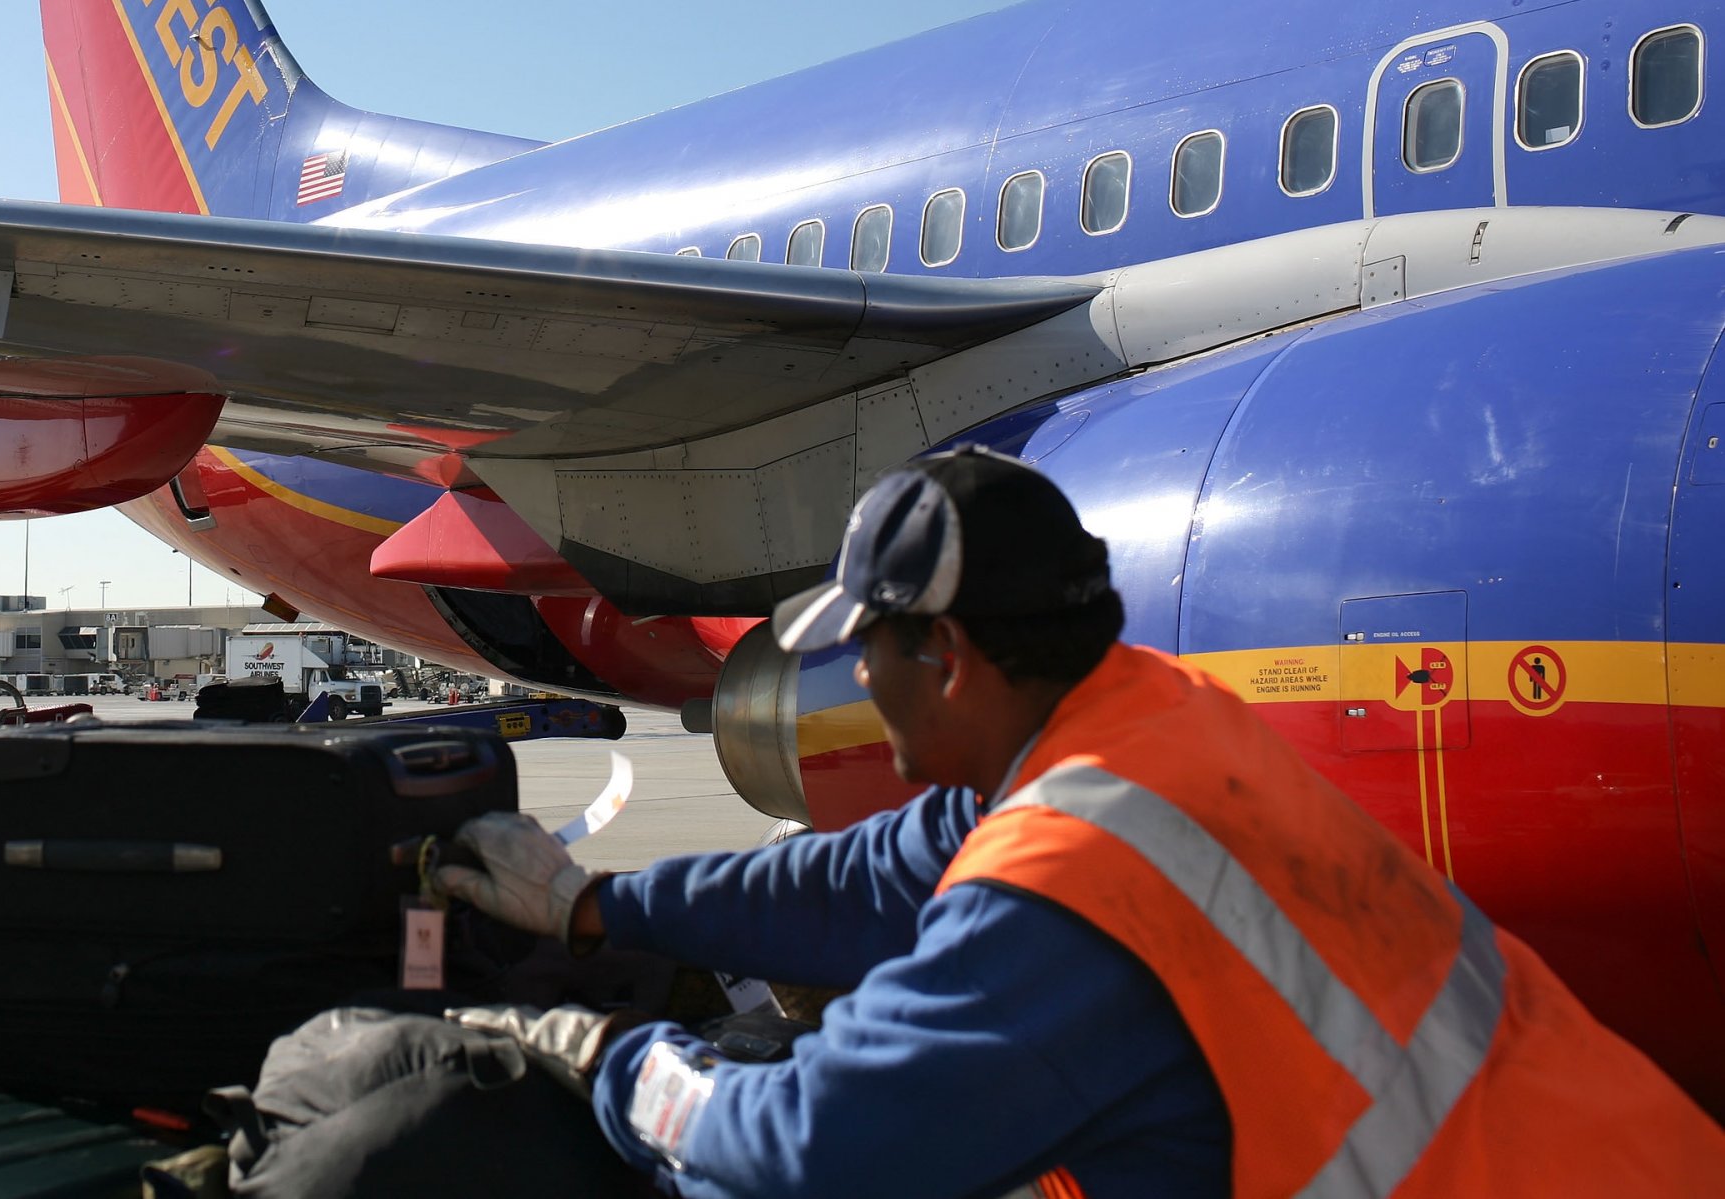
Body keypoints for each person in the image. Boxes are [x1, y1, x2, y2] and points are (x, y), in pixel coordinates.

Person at [435, 447, 1725, 1196]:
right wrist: (592, 903)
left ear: (942, 652)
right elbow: (876, 875)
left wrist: (615, 1066)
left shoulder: (1066, 896)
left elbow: (818, 1148)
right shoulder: (1149, 725)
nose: (852, 682)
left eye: (864, 650)